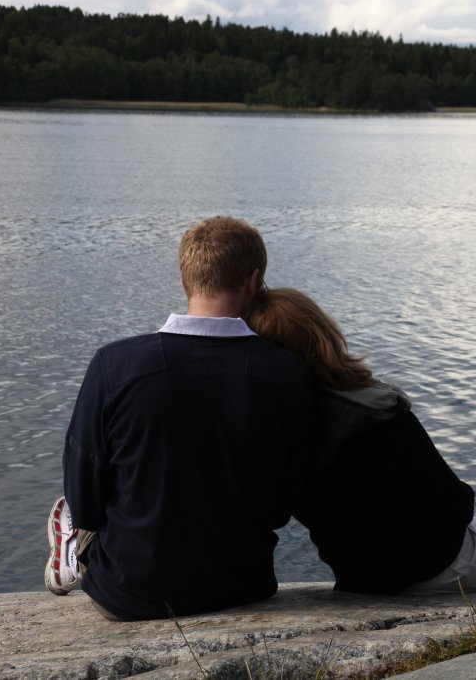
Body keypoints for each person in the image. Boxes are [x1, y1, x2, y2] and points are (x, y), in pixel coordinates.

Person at [44, 216, 317, 621]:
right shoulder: (288, 372)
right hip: (244, 586)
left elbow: (85, 502)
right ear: (253, 281)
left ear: (185, 283)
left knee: (77, 505)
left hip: (130, 595)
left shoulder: (114, 365)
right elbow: (282, 506)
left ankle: (69, 550)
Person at [248, 287, 476, 594]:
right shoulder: (381, 416)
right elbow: (455, 507)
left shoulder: (280, 436)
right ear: (324, 337)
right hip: (435, 565)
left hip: (361, 577)